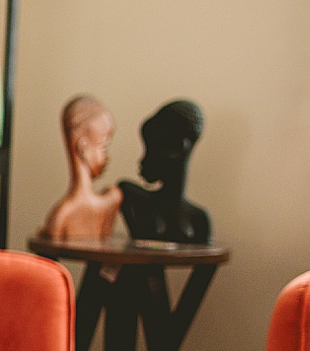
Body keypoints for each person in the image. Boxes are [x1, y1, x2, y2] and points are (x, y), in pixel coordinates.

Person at [119, 98, 212, 244]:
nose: (142, 160)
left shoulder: (199, 219)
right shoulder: (130, 196)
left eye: (153, 148)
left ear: (178, 148)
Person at [38, 94, 123, 241]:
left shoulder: (111, 198)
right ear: (83, 147)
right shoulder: (62, 216)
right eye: (103, 147)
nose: (107, 156)